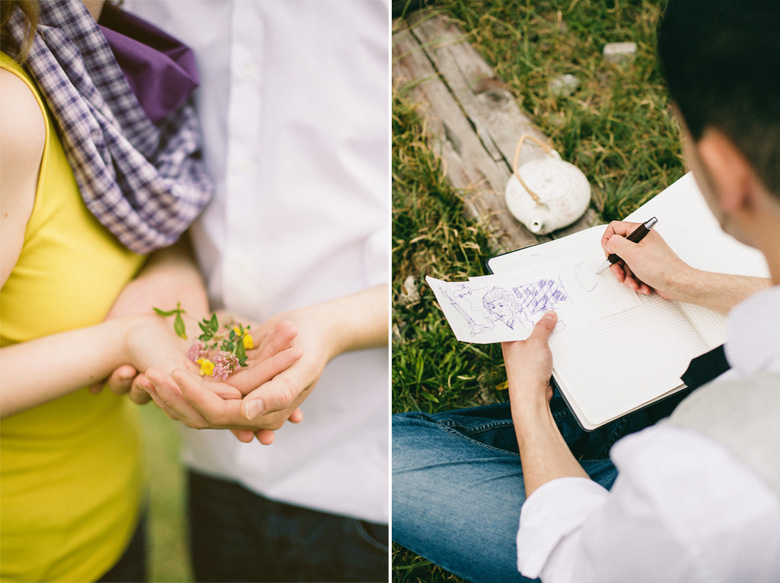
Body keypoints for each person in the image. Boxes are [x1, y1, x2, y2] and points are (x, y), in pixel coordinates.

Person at [393, 0, 780, 581]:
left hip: (632, 534)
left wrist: (530, 397)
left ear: (724, 171)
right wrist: (687, 282)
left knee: (387, 455)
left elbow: (573, 560)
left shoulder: (710, 481)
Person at [0, 1, 299, 581]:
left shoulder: (82, 68)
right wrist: (124, 341)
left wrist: (172, 271)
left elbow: (100, 231)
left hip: (101, 532)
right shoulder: (8, 112)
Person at [122, 1, 390, 581]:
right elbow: (169, 180)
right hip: (216, 459)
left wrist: (335, 325)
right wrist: (173, 278)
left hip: (368, 465)